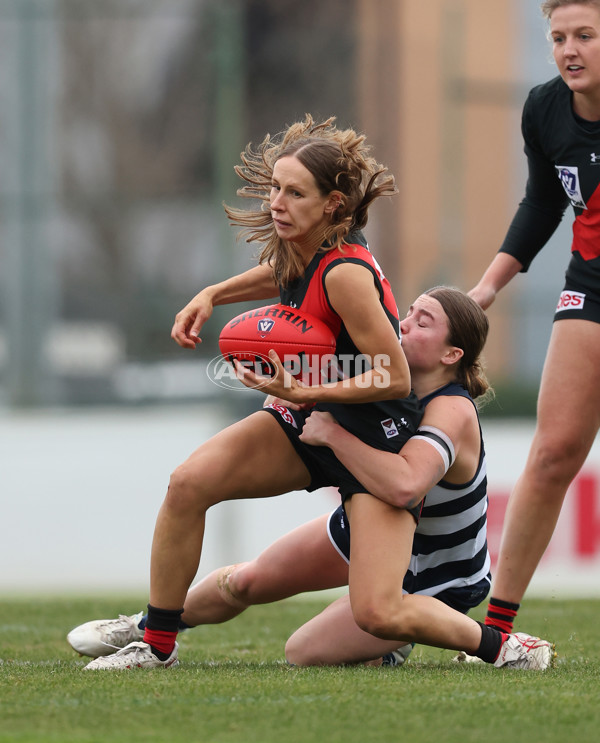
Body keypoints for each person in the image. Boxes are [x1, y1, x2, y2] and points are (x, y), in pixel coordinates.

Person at [72, 287, 554, 670]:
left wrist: (333, 434)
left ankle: (505, 647)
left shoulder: (451, 409)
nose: (402, 324)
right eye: (407, 313)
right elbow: (315, 396)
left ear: (452, 355)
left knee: (304, 650)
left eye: (422, 322)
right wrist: (292, 393)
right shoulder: (378, 377)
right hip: (369, 532)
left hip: (433, 577)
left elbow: (405, 485)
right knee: (246, 580)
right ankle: (147, 628)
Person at [468, 0, 600, 636]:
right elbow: (544, 201)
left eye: (585, 35)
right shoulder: (545, 108)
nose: (569, 49)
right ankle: (496, 629)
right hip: (591, 288)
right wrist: (490, 286)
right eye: (557, 37)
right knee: (553, 453)